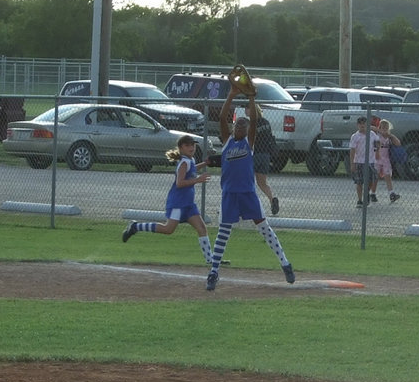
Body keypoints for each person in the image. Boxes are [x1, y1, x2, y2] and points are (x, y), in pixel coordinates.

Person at [206, 84, 295, 291]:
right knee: (223, 233)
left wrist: (252, 97)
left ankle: (285, 264)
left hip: (247, 193)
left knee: (264, 228)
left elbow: (254, 120)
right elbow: (221, 118)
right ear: (235, 127)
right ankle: (213, 273)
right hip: (229, 194)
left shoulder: (249, 143)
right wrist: (230, 95)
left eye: (244, 128)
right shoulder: (228, 141)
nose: (242, 129)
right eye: (239, 126)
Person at [122, 135, 219, 265]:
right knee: (168, 229)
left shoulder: (189, 160)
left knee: (202, 227)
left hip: (188, 204)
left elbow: (192, 169)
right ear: (181, 148)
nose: (191, 147)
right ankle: (135, 226)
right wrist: (198, 180)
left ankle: (210, 260)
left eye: (193, 145)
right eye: (187, 145)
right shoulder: (184, 162)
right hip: (178, 203)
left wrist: (205, 163)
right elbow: (179, 183)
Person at [348, 116, 382, 207]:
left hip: (370, 161)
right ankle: (360, 200)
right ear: (357, 125)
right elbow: (352, 151)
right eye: (360, 124)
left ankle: (366, 193)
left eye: (365, 124)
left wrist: (377, 151)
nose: (362, 126)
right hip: (359, 161)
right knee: (359, 182)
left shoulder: (372, 134)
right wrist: (352, 164)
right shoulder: (355, 136)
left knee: (372, 179)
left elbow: (378, 142)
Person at [252, 114, 281, 215]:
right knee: (262, 183)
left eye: (247, 108)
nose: (245, 110)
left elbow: (251, 139)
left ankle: (249, 206)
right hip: (265, 155)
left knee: (247, 181)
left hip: (255, 155)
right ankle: (272, 199)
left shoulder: (252, 123)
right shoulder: (266, 122)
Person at [373, 119, 401, 203]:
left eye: (386, 128)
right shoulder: (377, 135)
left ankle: (391, 193)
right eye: (383, 127)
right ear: (380, 127)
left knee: (387, 176)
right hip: (377, 158)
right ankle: (372, 193)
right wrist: (380, 131)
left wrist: (391, 136)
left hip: (385, 159)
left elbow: (398, 143)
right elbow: (371, 128)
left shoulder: (389, 137)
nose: (385, 129)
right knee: (375, 177)